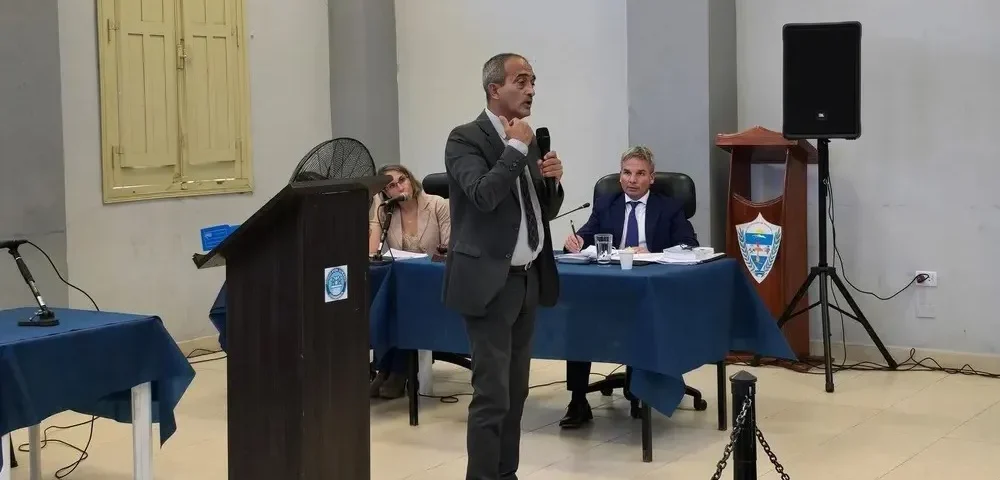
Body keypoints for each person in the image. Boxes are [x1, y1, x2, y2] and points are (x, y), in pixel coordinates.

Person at [443, 53, 564, 480]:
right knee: (492, 396)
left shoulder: (525, 140)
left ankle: (505, 473)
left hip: (527, 281)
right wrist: (515, 149)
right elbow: (483, 195)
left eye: (533, 82)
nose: (531, 90)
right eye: (522, 81)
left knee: (516, 393)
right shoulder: (465, 139)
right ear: (495, 89)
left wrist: (553, 181)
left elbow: (541, 212)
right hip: (490, 284)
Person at [559, 145, 698, 429]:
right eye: (626, 173)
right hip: (609, 289)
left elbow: (689, 245)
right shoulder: (606, 204)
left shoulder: (669, 207)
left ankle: (642, 391)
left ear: (652, 178)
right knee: (578, 319)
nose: (632, 180)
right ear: (620, 175)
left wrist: (651, 253)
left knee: (641, 318)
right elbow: (586, 236)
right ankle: (578, 401)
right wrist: (575, 241)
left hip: (650, 291)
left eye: (640, 174)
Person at [368, 164, 451, 399]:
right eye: (390, 186)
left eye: (402, 180)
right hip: (404, 285)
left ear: (411, 179)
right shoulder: (387, 212)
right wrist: (378, 207)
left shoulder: (438, 205)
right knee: (385, 301)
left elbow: (450, 246)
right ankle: (384, 370)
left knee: (403, 305)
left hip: (434, 280)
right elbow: (372, 252)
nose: (399, 187)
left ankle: (398, 371)